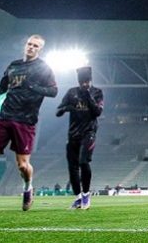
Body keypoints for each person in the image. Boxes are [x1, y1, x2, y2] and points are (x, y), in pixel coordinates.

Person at [0, 34, 57, 216]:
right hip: (4, 116)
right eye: (29, 44)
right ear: (25, 45)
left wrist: (34, 87)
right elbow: (3, 87)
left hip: (25, 121)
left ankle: (27, 187)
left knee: (22, 165)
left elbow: (53, 91)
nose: (31, 47)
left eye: (35, 46)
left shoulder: (43, 68)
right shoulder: (14, 65)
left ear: (40, 50)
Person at [56, 66, 104, 210]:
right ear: (78, 81)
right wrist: (66, 108)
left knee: (84, 162)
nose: (85, 84)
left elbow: (97, 112)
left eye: (87, 81)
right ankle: (77, 198)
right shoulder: (71, 92)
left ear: (91, 80)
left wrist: (88, 95)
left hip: (89, 132)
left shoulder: (97, 93)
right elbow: (58, 111)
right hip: (73, 134)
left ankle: (86, 195)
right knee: (72, 167)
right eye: (82, 81)